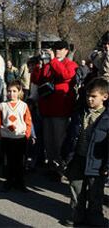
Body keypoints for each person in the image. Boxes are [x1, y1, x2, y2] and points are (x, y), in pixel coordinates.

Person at [62, 78, 109, 227]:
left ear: (104, 97)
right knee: (76, 188)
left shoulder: (107, 118)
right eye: (88, 95)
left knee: (95, 191)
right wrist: (65, 153)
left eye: (93, 96)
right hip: (78, 158)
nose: (89, 99)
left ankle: (95, 216)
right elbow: (70, 135)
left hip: (97, 162)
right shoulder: (79, 113)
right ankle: (77, 215)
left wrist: (107, 165)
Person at [31, 41, 78, 181]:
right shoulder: (48, 64)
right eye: (55, 49)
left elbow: (66, 75)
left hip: (61, 108)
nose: (56, 51)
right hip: (47, 108)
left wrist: (53, 61)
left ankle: (61, 169)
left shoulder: (70, 64)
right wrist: (39, 64)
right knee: (48, 141)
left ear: (66, 51)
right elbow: (37, 79)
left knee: (59, 141)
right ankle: (52, 167)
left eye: (60, 49)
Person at [0, 80, 32, 192]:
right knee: (9, 161)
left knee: (20, 161)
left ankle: (20, 182)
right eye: (9, 91)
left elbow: (28, 122)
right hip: (7, 138)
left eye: (14, 91)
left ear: (20, 92)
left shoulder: (23, 106)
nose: (12, 94)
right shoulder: (3, 105)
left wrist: (27, 134)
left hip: (20, 138)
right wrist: (0, 133)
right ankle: (8, 181)